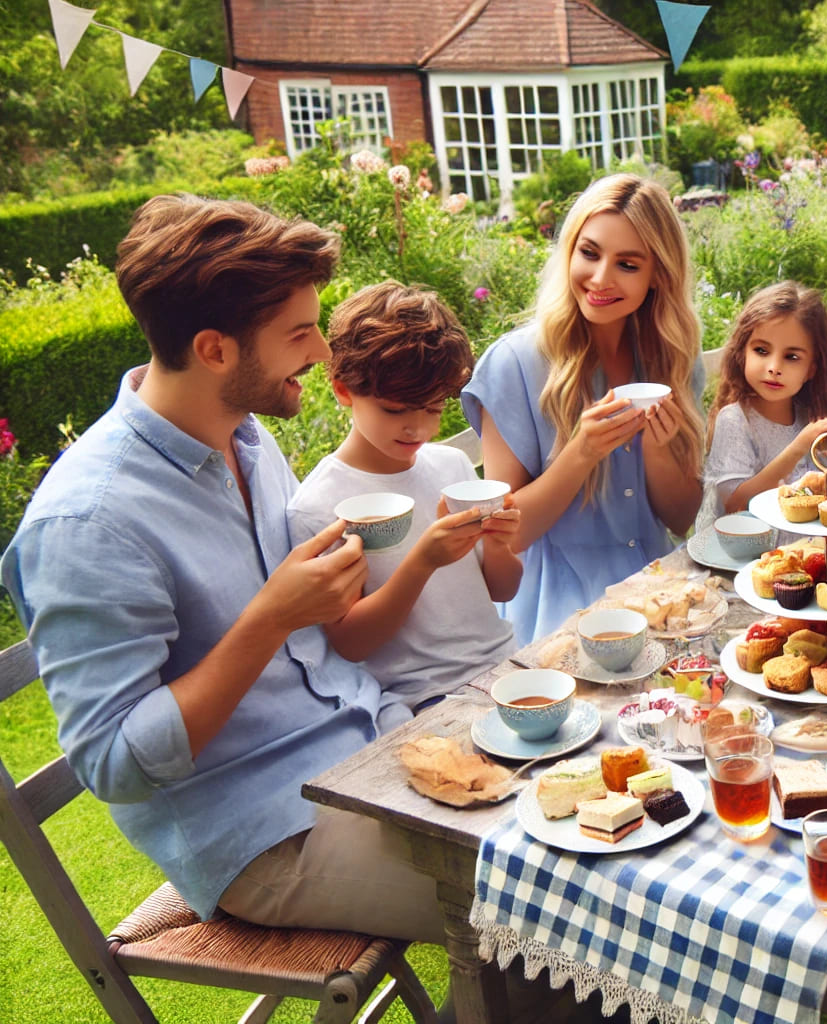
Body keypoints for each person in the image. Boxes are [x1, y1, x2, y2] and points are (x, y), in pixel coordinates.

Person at [1, 195, 443, 942]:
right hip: (268, 832)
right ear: (215, 349)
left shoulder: (243, 436)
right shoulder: (86, 524)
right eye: (300, 332)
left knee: (583, 816)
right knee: (530, 902)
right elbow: (112, 763)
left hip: (369, 735)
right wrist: (271, 616)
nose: (323, 353)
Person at [462, 174, 706, 643]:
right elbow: (506, 536)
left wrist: (658, 451)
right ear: (570, 251)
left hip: (662, 594)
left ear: (658, 275)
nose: (600, 278)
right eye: (589, 253)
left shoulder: (672, 359)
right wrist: (581, 453)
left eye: (628, 265)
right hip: (558, 610)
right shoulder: (514, 364)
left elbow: (681, 518)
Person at [287, 282, 522, 730]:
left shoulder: (449, 464)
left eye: (433, 409)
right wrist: (422, 562)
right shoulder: (321, 506)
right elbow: (351, 643)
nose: (418, 429)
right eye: (396, 410)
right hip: (429, 699)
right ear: (343, 390)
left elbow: (501, 590)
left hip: (508, 667)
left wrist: (499, 545)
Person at [702, 280, 827, 525]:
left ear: (811, 369)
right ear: (742, 354)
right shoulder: (734, 420)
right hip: (742, 555)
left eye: (791, 357)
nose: (774, 368)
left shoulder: (809, 418)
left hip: (803, 551)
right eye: (761, 351)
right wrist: (799, 446)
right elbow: (735, 503)